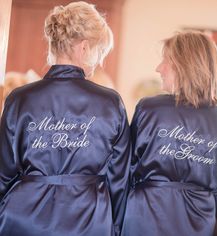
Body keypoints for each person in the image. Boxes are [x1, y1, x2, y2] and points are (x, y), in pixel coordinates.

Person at [0, 2, 130, 236]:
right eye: (99, 52)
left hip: (23, 219)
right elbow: (118, 180)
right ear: (84, 48)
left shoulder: (19, 99)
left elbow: (4, 172)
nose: (99, 61)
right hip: (88, 221)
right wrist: (114, 227)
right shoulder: (110, 103)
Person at [121, 31, 217, 236]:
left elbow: (128, 168)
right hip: (197, 223)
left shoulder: (150, 109)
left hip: (143, 216)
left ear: (183, 66)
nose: (159, 68)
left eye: (165, 60)